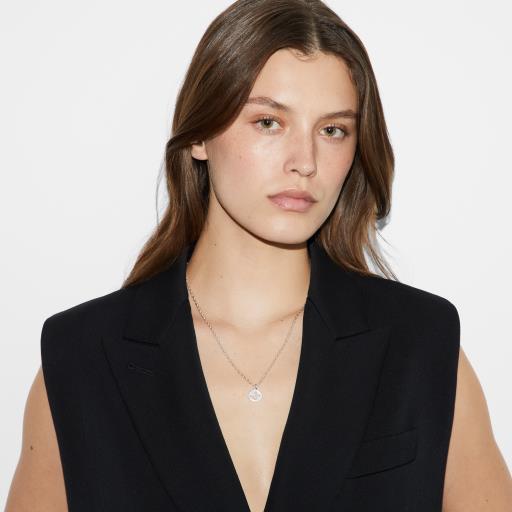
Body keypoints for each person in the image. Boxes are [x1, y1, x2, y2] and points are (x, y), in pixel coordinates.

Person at [6, 0, 512, 511]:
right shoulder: (83, 359)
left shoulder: (421, 347)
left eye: (332, 130)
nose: (305, 162)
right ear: (200, 134)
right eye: (269, 122)